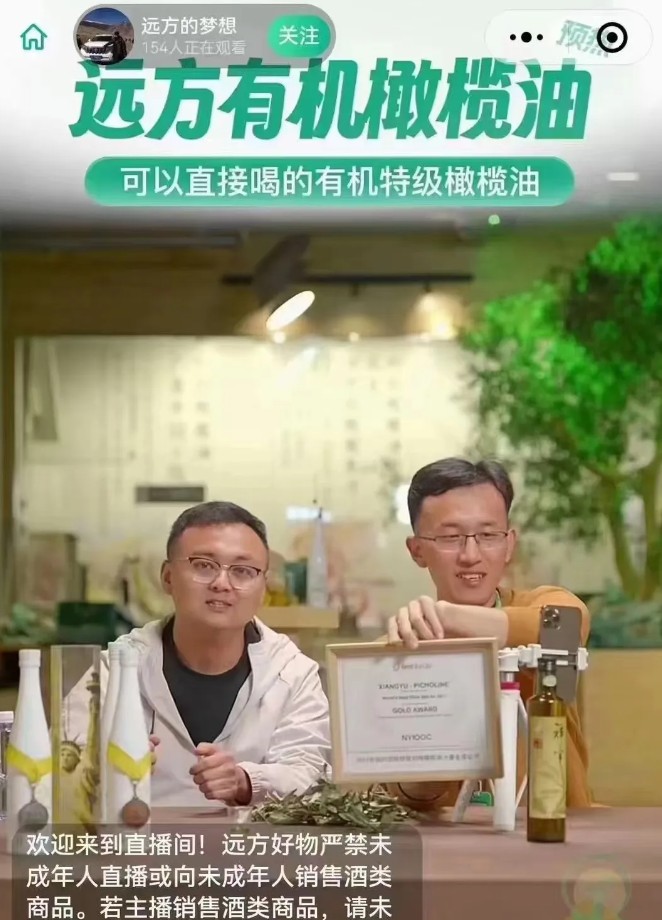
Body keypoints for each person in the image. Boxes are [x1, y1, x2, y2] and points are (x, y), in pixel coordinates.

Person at [65, 501, 330, 808]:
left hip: (250, 839)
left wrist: (246, 781)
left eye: (243, 571)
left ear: (263, 588)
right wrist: (106, 765)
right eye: (204, 565)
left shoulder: (292, 673)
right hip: (142, 837)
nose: (222, 584)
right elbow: (63, 768)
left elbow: (311, 774)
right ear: (168, 577)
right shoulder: (114, 672)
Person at [383, 457, 592, 811]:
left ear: (509, 544)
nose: (471, 555)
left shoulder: (541, 604)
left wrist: (450, 617)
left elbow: (568, 628)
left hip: (556, 831)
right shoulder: (401, 647)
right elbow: (401, 792)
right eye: (451, 537)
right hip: (449, 839)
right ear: (417, 550)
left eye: (488, 535)